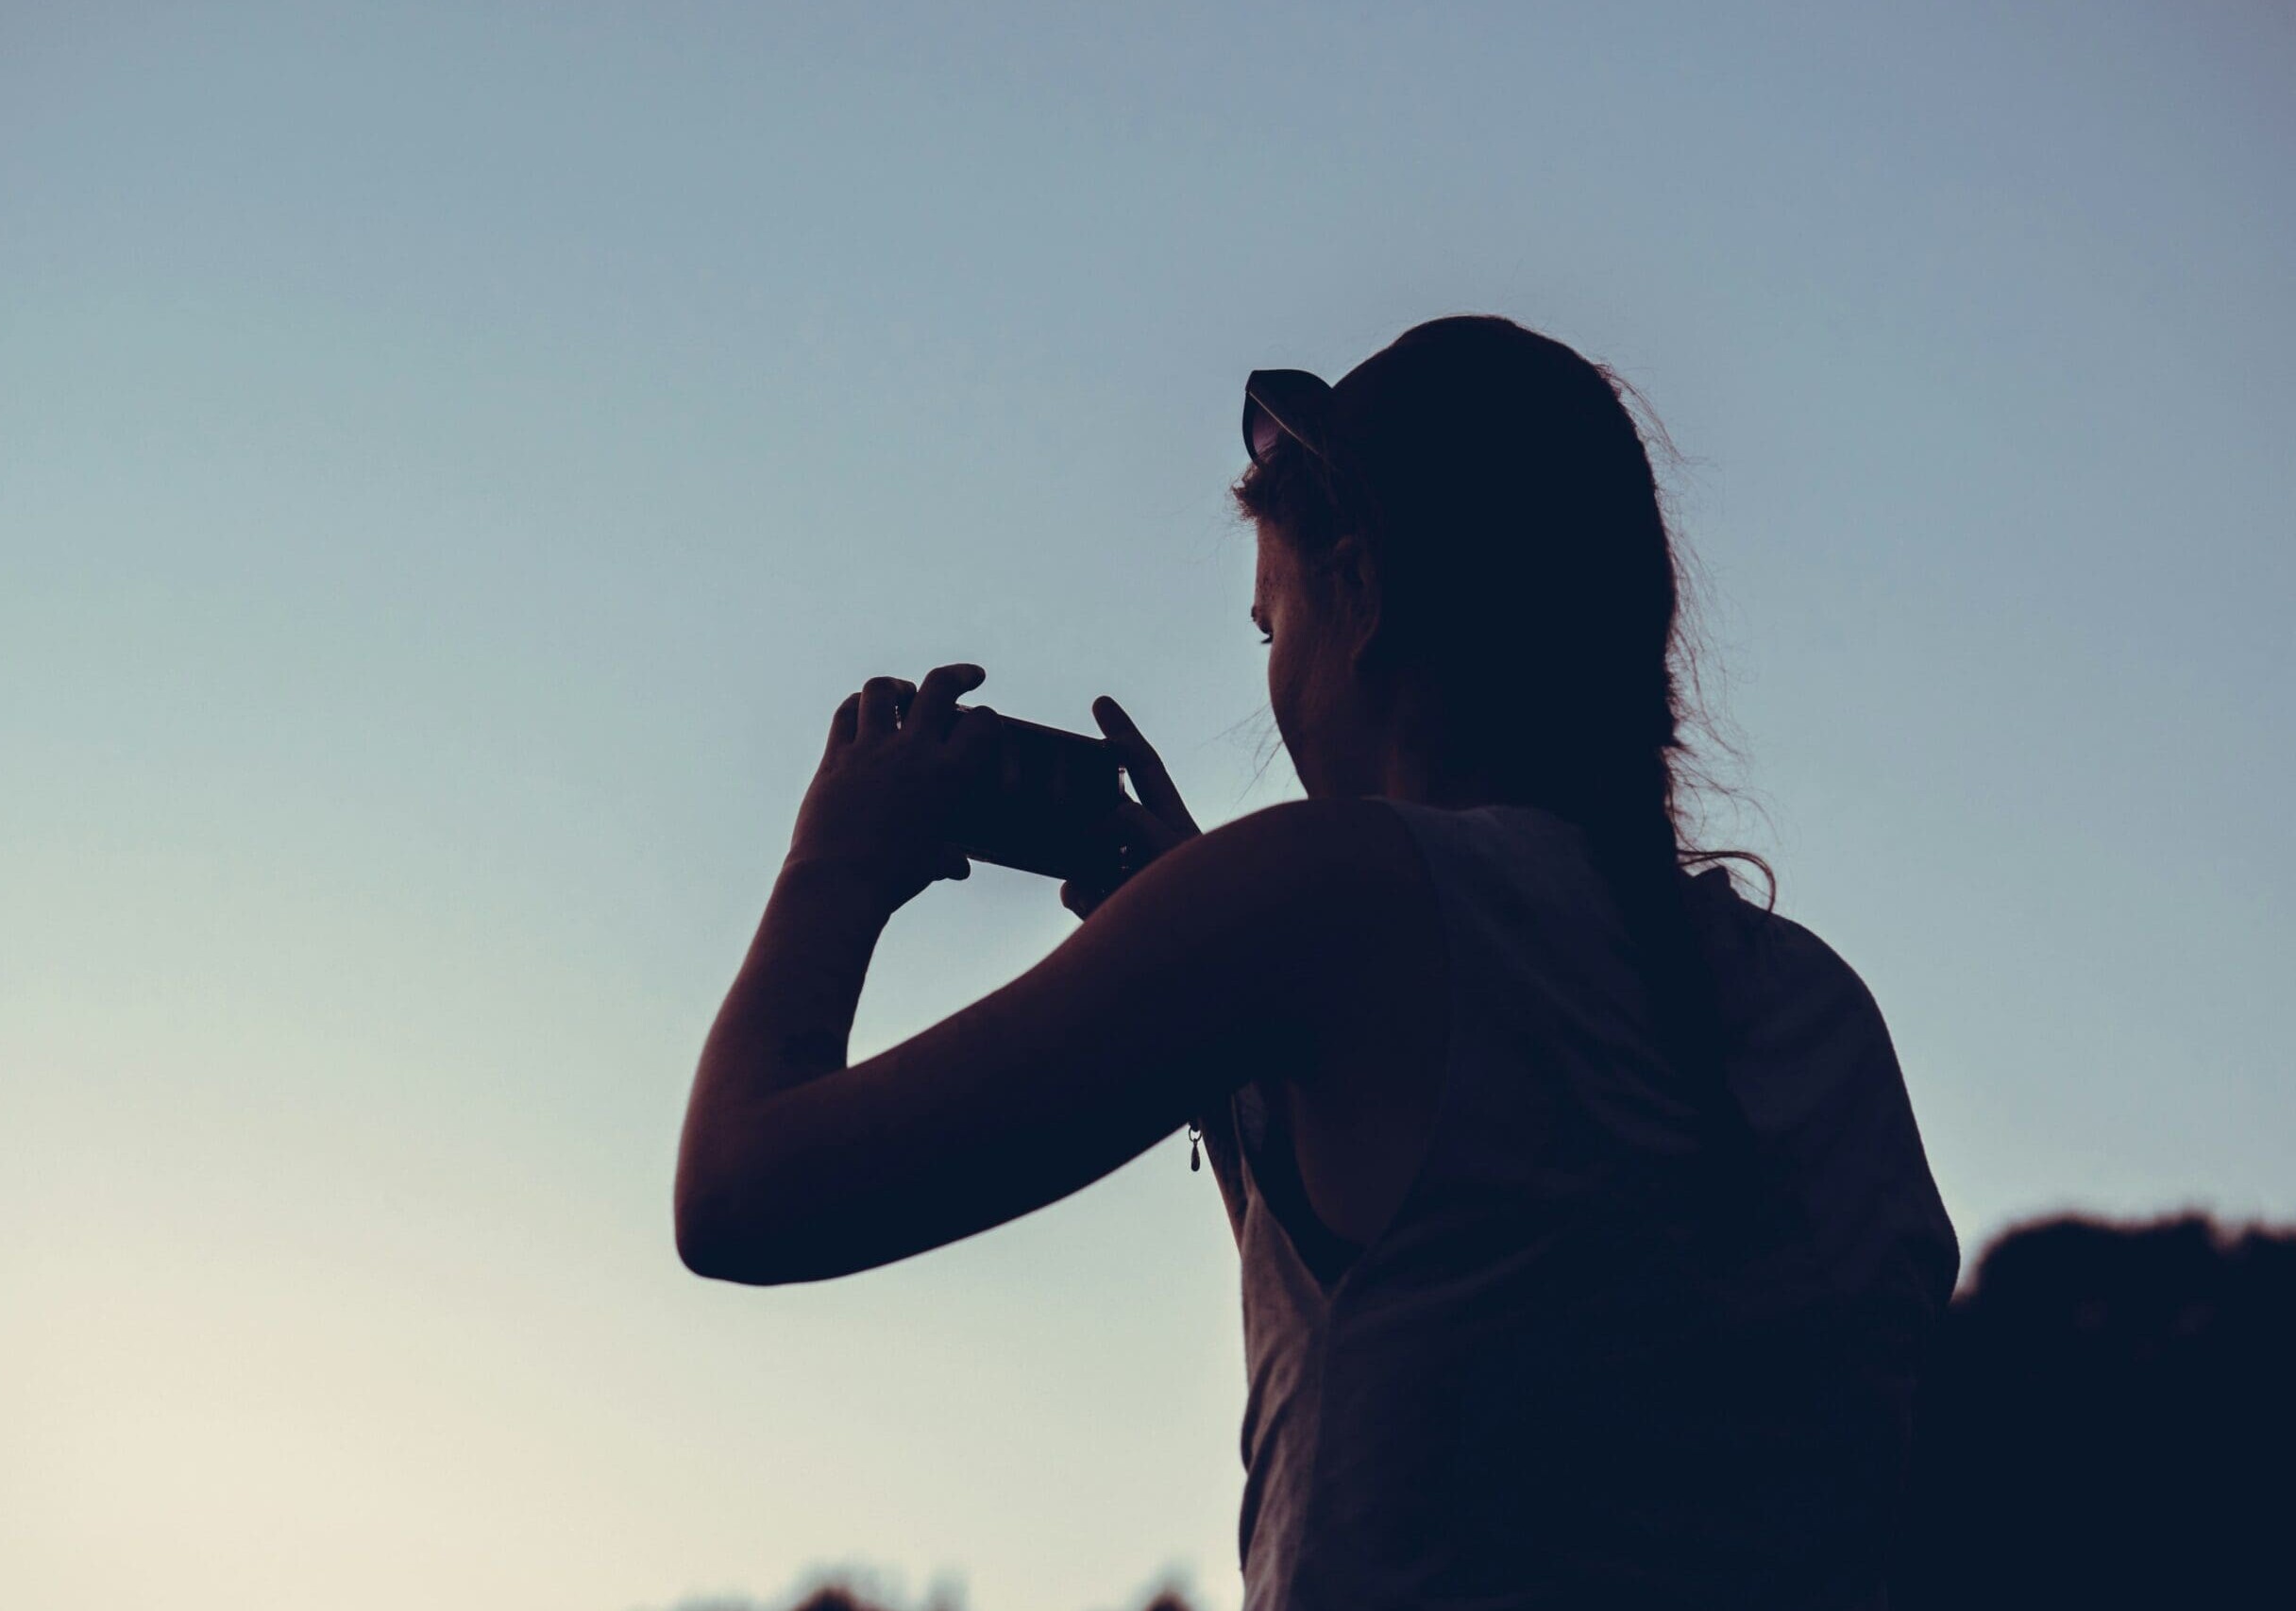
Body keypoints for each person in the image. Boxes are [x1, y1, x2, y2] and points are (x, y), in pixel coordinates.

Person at [675, 314, 1960, 1609]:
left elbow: (743, 1192)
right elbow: (1435, 1297)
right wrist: (1232, 1050)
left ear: (1365, 591)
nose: (1276, 674)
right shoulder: (1822, 1016)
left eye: (1269, 623)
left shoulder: (1334, 891)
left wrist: (834, 861)